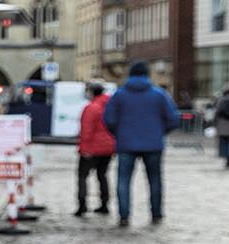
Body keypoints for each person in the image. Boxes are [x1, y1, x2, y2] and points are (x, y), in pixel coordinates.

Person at [101, 60, 180, 226]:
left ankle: (124, 216)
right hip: (153, 145)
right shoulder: (159, 95)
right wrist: (159, 132)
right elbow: (173, 119)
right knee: (155, 180)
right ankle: (156, 214)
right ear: (147, 74)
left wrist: (119, 134)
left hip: (126, 144)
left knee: (123, 180)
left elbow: (109, 119)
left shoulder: (120, 95)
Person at [74, 82, 113, 217]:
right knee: (102, 175)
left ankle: (82, 205)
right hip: (108, 148)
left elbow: (87, 131)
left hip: (92, 148)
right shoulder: (109, 106)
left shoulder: (91, 108)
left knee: (82, 176)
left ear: (91, 93)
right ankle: (105, 204)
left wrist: (83, 149)